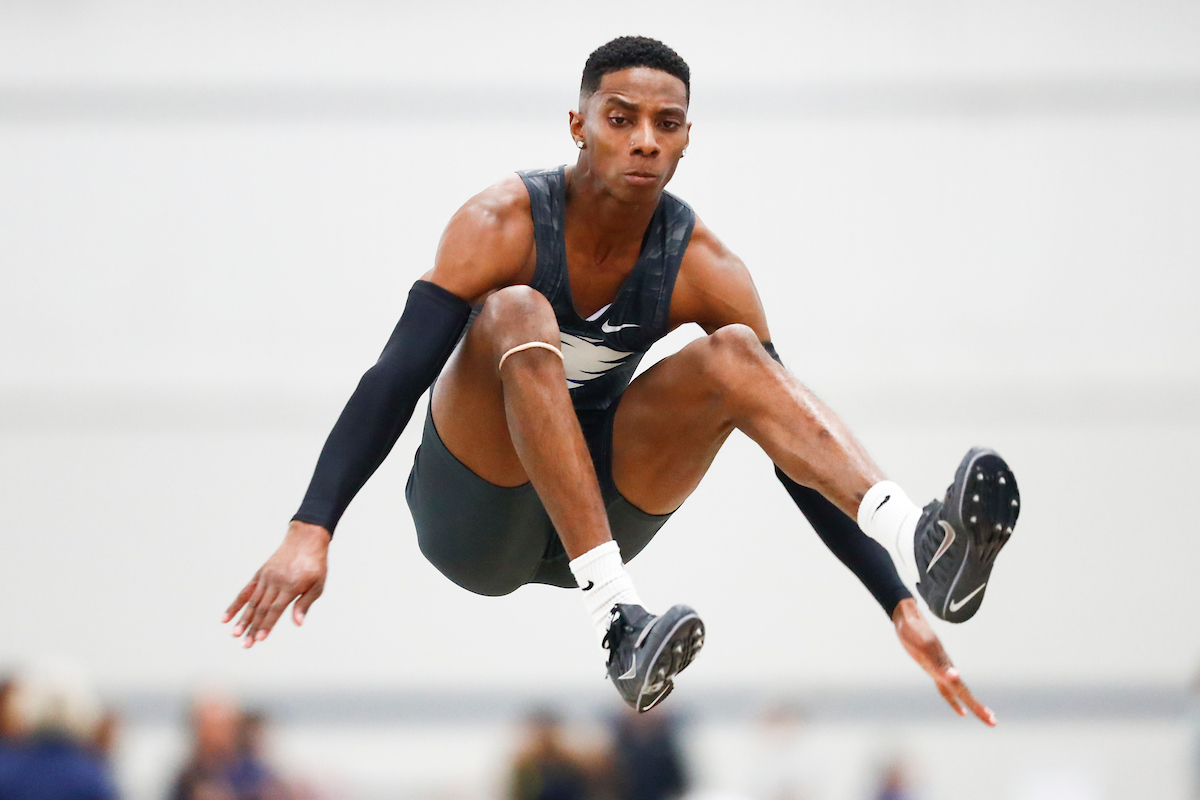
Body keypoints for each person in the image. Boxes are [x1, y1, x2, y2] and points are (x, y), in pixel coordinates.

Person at [223, 36, 1020, 718]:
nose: (644, 140)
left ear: (685, 140)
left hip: (600, 509)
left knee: (739, 355)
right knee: (514, 312)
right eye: (621, 119)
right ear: (578, 126)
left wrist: (898, 602)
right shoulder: (498, 223)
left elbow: (789, 447)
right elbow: (394, 378)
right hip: (476, 519)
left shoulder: (705, 266)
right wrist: (311, 527)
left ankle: (919, 532)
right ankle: (621, 620)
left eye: (664, 125)